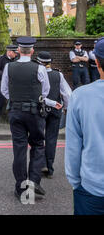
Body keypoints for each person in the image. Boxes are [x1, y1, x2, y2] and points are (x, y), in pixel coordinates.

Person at [0, 37, 50, 202]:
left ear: (18, 50)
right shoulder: (39, 68)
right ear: (32, 51)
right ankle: (34, 182)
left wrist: (16, 100)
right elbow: (46, 91)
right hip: (34, 112)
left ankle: (21, 186)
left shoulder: (9, 67)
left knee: (19, 149)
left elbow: (4, 90)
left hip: (15, 112)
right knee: (37, 145)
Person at [65, 37, 104, 215]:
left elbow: (73, 146)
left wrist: (76, 183)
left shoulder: (80, 96)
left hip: (92, 189)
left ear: (97, 61)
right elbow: (75, 59)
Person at [36, 51, 72, 179]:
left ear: (39, 62)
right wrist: (67, 108)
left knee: (39, 138)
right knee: (51, 139)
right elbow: (67, 94)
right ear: (50, 62)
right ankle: (49, 168)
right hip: (55, 110)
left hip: (39, 110)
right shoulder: (58, 75)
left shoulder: (36, 74)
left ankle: (41, 165)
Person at [0, 45, 18, 130]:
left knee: (15, 104)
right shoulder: (1, 59)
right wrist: (5, 74)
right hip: (1, 85)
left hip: (13, 86)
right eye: (15, 53)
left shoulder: (17, 59)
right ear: (9, 52)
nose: (16, 54)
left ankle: (14, 122)